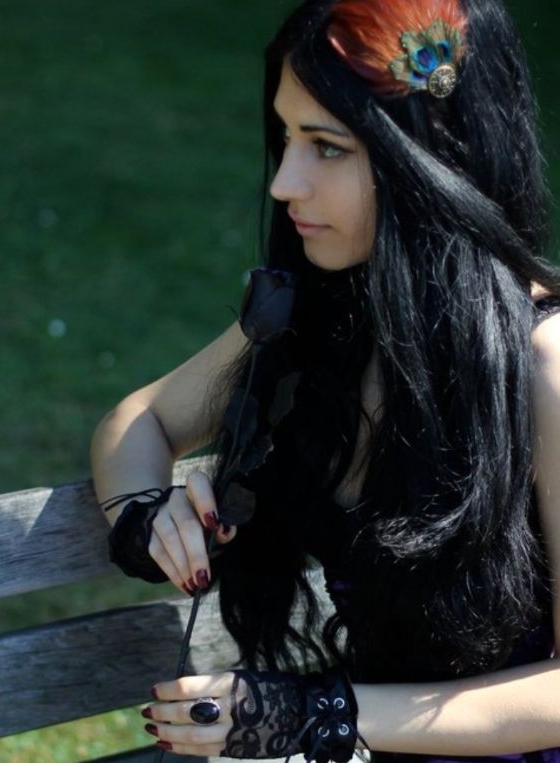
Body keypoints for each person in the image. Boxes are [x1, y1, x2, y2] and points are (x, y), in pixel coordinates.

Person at [90, 0, 560, 761]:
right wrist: (146, 512)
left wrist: (325, 713)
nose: (284, 182)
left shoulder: (546, 361)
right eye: (285, 137)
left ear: (433, 156)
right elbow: (139, 419)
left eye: (327, 147)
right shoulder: (322, 312)